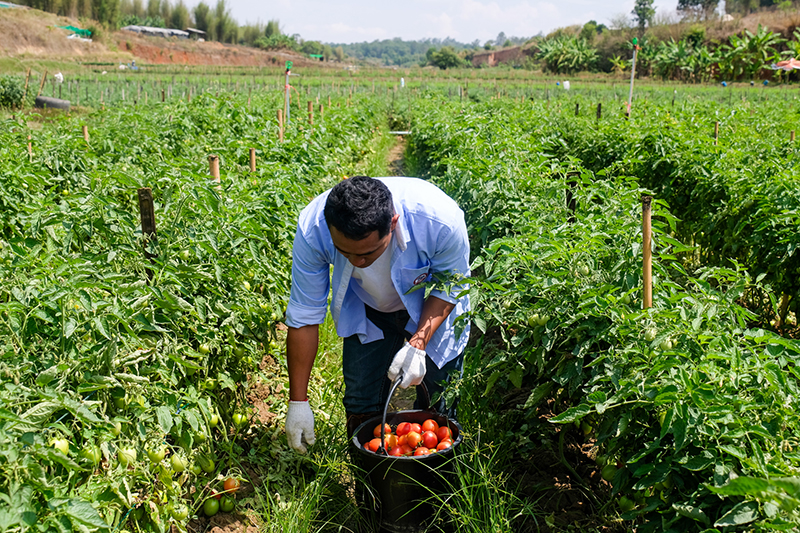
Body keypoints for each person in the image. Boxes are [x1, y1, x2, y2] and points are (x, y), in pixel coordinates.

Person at [283, 176, 470, 453]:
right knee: (362, 405)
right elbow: (304, 315)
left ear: (392, 224)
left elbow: (452, 285)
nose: (357, 262)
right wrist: (298, 402)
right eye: (344, 252)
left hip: (431, 305)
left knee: (440, 406)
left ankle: (438, 484)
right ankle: (370, 488)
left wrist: (418, 343)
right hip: (368, 309)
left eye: (368, 253)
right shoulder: (314, 228)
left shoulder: (439, 220)